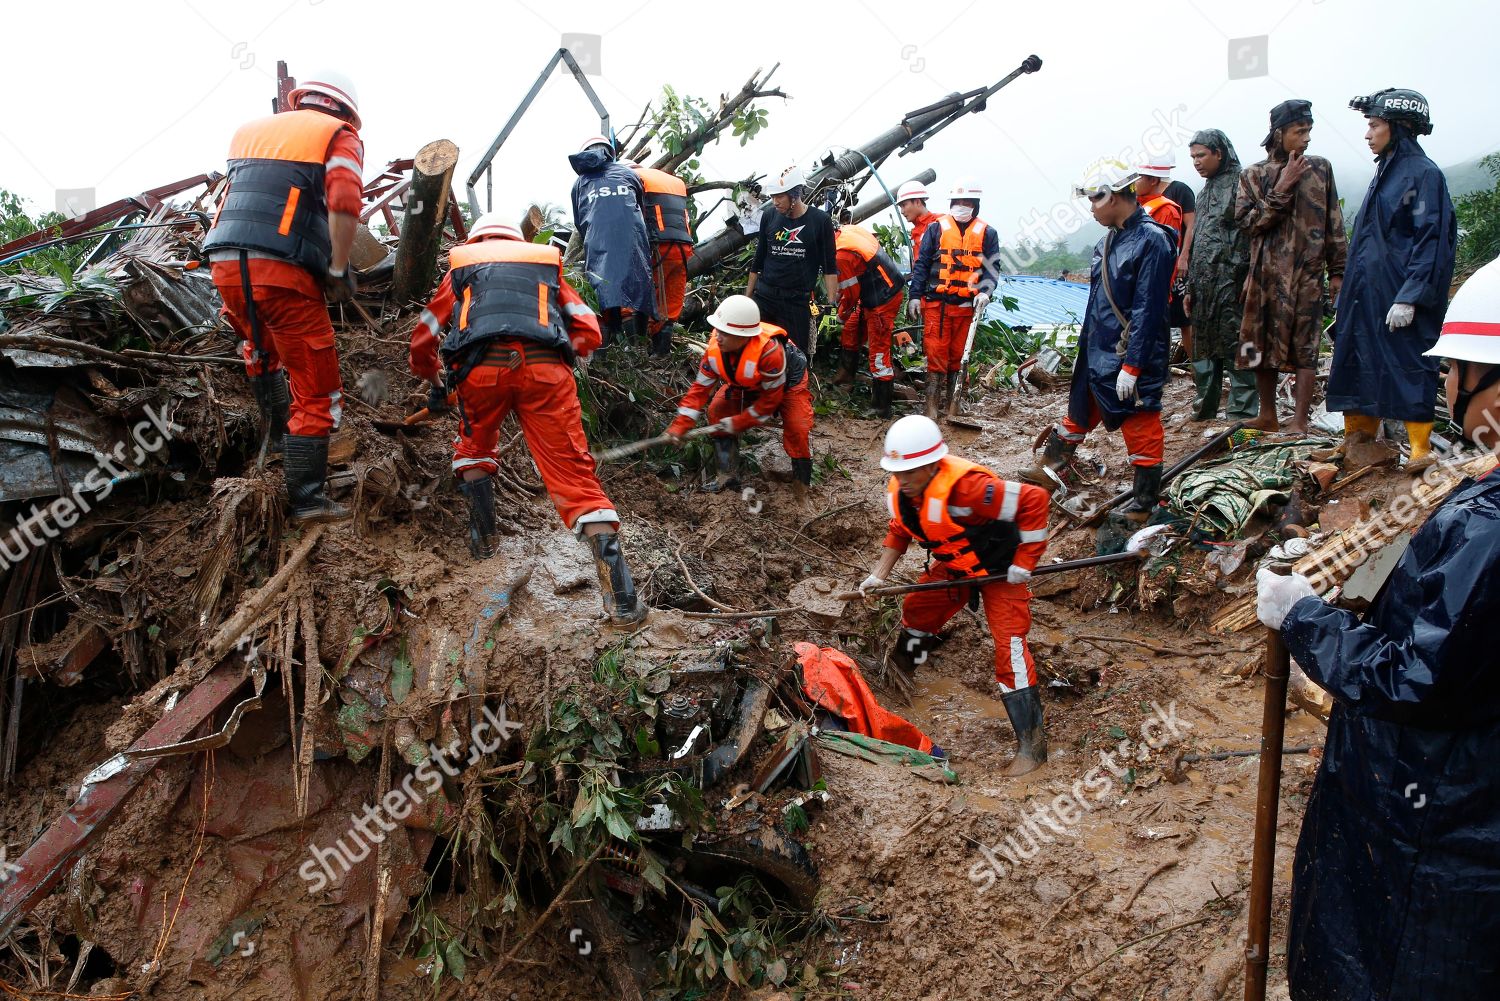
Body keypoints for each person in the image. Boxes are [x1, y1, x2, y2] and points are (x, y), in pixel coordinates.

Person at [1254, 257, 1500, 1000]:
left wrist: (1306, 618)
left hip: (1441, 827)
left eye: (1458, 367)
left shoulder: (1489, 530)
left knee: (1387, 963)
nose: (1448, 384)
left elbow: (1418, 676)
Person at [408, 213, 644, 624]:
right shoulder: (545, 260)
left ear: (478, 236)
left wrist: (435, 380)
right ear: (517, 238)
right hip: (545, 373)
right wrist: (564, 357)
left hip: (479, 374)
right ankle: (622, 604)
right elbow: (589, 329)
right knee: (576, 480)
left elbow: (425, 335)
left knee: (473, 450)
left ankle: (485, 547)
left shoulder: (462, 263)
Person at [203, 69, 365, 524]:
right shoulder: (338, 134)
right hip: (282, 270)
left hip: (224, 264)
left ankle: (277, 439)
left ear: (301, 99)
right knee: (317, 388)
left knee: (260, 348)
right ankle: (307, 499)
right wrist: (336, 268)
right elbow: (345, 202)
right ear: (346, 110)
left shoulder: (249, 133)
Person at [859, 415, 1051, 775]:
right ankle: (903, 673)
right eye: (898, 473)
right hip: (956, 566)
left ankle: (1033, 747)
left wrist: (1025, 561)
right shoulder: (903, 488)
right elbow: (900, 528)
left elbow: (1035, 500)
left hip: (1000, 569)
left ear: (933, 465)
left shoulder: (971, 490)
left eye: (911, 473)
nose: (903, 481)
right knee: (917, 610)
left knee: (1009, 649)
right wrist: (878, 575)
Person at [1022, 160, 1175, 517]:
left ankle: (1144, 501)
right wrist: (1086, 351)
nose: (1091, 208)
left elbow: (1148, 309)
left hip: (1132, 351)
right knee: (1079, 409)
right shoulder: (1107, 243)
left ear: (1115, 197)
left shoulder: (1153, 241)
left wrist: (1133, 365)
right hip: (1097, 348)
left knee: (1139, 418)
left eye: (1095, 200)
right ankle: (1050, 470)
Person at [1327, 89, 1457, 475]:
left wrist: (1411, 296)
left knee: (1407, 362)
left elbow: (1432, 239)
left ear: (1399, 128)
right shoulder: (1385, 171)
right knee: (1357, 359)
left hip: (1399, 294)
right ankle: (1358, 440)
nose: (1368, 134)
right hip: (1367, 293)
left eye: (1375, 125)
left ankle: (1419, 450)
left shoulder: (1423, 174)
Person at [1236, 100, 1347, 433]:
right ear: (1279, 133)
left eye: (1309, 130)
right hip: (1264, 277)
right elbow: (1248, 225)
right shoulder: (1253, 176)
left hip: (1307, 275)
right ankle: (1267, 414)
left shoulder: (1321, 169)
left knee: (1306, 345)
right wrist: (1283, 185)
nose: (1307, 138)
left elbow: (1334, 223)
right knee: (1257, 345)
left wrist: (1338, 270)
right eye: (1300, 131)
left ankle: (1300, 419)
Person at [665, 294, 815, 490]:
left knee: (798, 426)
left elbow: (769, 402)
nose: (718, 336)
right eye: (718, 330)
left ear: (744, 336)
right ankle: (726, 477)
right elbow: (699, 391)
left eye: (725, 333)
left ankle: (801, 485)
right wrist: (680, 426)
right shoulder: (715, 350)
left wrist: (738, 422)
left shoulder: (770, 352)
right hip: (746, 384)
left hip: (787, 384)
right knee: (717, 412)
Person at [907, 180, 1000, 420]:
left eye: (966, 202)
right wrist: (914, 296)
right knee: (936, 356)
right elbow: (922, 265)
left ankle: (954, 409)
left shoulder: (987, 233)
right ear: (951, 204)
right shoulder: (936, 229)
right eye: (957, 202)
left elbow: (992, 268)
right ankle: (930, 410)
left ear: (975, 205)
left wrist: (985, 292)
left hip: (966, 307)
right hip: (938, 305)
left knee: (959, 358)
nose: (961, 206)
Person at [1183, 129, 1259, 422]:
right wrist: (1190, 287)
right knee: (1204, 348)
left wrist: (1252, 275)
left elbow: (1257, 232)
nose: (1196, 162)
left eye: (1201, 155)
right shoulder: (1204, 192)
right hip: (1204, 285)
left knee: (1242, 344)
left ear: (1220, 153)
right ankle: (1205, 407)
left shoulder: (1244, 182)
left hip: (1236, 281)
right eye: (1192, 157)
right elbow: (1200, 239)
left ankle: (1243, 410)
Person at [568, 136, 655, 349]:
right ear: (611, 152)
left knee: (603, 288)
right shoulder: (629, 174)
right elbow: (641, 207)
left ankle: (612, 347)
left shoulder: (579, 183)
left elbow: (580, 222)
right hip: (634, 238)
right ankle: (636, 349)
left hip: (598, 242)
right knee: (637, 285)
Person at [746, 165, 839, 356]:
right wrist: (747, 297)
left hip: (796, 302)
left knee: (794, 357)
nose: (775, 202)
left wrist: (831, 305)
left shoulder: (820, 221)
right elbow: (759, 258)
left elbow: (829, 266)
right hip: (765, 297)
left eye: (779, 196)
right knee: (755, 351)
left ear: (794, 194)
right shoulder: (770, 216)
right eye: (772, 197)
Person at [831, 222, 907, 419]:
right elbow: (849, 282)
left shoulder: (841, 254)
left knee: (879, 354)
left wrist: (841, 314)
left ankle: (881, 406)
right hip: (874, 292)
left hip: (883, 300)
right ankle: (845, 379)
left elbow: (851, 293)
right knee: (851, 330)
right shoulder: (846, 231)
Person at [630, 162, 695, 358]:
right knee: (670, 300)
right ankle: (661, 352)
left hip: (658, 247)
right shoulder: (671, 181)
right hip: (683, 248)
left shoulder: (631, 178)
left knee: (641, 296)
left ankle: (638, 348)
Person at [895, 179, 940, 251]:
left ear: (917, 202)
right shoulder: (915, 232)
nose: (902, 211)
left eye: (904, 205)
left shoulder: (939, 222)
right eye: (900, 207)